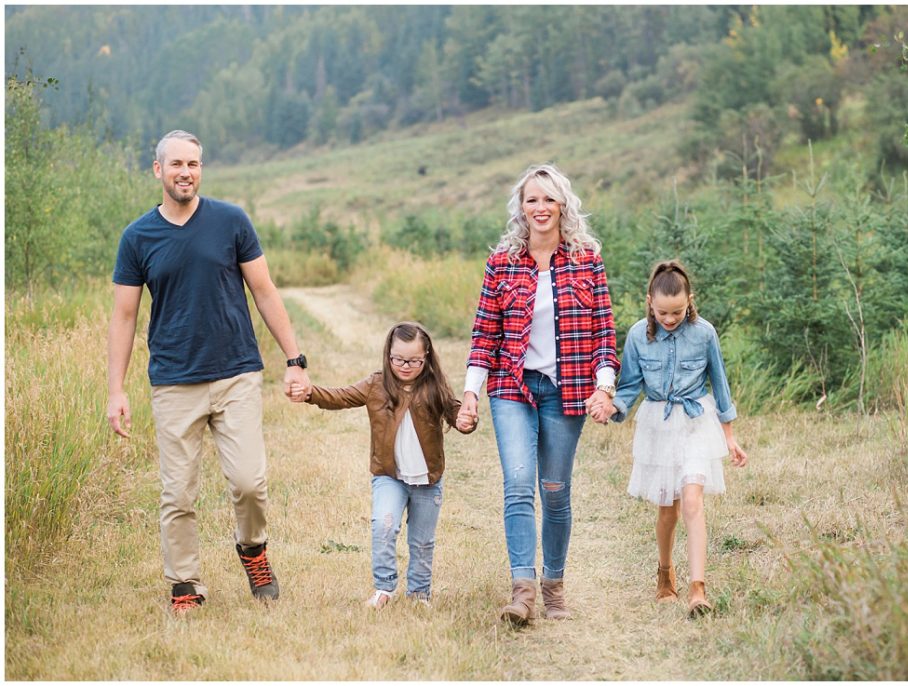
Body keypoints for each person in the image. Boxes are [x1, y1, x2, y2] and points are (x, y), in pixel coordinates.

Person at [107, 130, 311, 614]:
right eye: (176, 164)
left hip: (235, 373)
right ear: (158, 170)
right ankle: (185, 585)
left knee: (248, 483)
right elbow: (124, 316)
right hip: (174, 380)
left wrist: (294, 360)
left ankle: (253, 549)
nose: (185, 172)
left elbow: (264, 290)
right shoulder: (138, 237)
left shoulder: (231, 221)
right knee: (177, 492)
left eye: (193, 164)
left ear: (201, 168)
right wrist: (115, 388)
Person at [458, 163, 620, 626]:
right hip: (513, 387)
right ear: (521, 207)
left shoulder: (587, 259)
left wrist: (604, 388)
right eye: (532, 199)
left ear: (563, 204)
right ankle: (522, 591)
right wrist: (471, 393)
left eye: (549, 199)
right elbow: (484, 335)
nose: (541, 208)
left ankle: (554, 586)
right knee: (517, 484)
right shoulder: (503, 262)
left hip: (567, 392)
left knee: (554, 491)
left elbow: (604, 334)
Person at [589, 260, 748, 616]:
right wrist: (610, 409)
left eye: (678, 311)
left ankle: (698, 589)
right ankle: (665, 573)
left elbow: (720, 386)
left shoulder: (705, 333)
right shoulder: (636, 336)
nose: (670, 319)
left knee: (692, 501)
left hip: (695, 422)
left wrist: (730, 437)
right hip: (659, 424)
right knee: (668, 510)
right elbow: (629, 388)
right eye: (663, 312)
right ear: (650, 302)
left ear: (690, 301)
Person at [287, 322, 476, 608]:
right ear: (388, 355)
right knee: (383, 527)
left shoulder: (434, 385)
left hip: (428, 479)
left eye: (414, 360)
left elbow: (455, 413)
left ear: (426, 358)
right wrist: (311, 392)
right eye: (398, 359)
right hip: (390, 476)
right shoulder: (376, 384)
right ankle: (384, 588)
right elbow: (341, 396)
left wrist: (465, 420)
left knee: (422, 541)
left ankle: (419, 594)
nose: (405, 365)